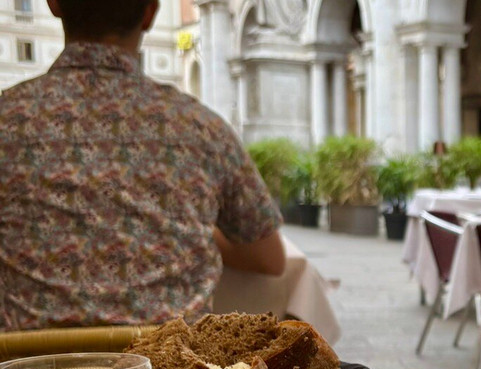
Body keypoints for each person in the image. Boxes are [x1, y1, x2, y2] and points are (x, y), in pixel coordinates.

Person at [0, 0, 286, 332]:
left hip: (29, 365)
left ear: (53, 4)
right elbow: (269, 258)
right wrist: (188, 226)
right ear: (150, 13)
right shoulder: (201, 127)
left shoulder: (8, 118)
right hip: (171, 364)